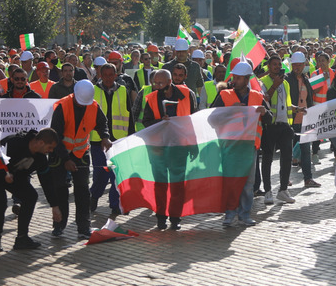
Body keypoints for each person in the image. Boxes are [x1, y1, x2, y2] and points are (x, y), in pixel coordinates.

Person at [0, 128, 59, 251]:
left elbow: (47, 182)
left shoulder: (41, 158)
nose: (50, 151)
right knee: (1, 202)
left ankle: (22, 238)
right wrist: (3, 174)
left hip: (13, 177)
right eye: (50, 147)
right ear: (41, 143)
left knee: (30, 196)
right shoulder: (14, 142)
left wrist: (54, 206)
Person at [48, 80, 111, 239]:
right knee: (60, 190)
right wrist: (65, 159)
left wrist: (105, 137)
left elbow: (102, 123)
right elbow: (55, 136)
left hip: (81, 153)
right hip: (59, 154)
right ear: (74, 94)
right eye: (80, 102)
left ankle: (84, 228)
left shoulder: (93, 105)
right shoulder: (63, 107)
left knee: (82, 191)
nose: (83, 106)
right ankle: (59, 226)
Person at [211, 61, 270, 227]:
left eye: (237, 78)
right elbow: (212, 118)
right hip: (229, 146)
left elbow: (269, 118)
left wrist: (265, 112)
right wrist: (230, 110)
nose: (234, 80)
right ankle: (229, 215)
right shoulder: (224, 95)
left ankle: (244, 215)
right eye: (234, 77)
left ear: (246, 79)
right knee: (230, 181)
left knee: (248, 182)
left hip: (249, 146)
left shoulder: (257, 96)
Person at [141, 69, 199, 230]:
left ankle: (175, 218)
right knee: (160, 184)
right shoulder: (152, 98)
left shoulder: (187, 94)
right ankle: (161, 218)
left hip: (179, 147)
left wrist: (194, 145)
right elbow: (146, 121)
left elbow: (194, 120)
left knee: (177, 184)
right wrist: (160, 121)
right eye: (155, 83)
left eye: (160, 83)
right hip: (159, 148)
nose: (156, 86)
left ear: (169, 82)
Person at [89, 63, 132, 220]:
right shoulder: (93, 91)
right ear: (100, 75)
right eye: (105, 75)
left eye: (111, 75)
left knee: (116, 174)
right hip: (97, 140)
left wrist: (130, 136)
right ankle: (94, 196)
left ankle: (115, 205)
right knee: (101, 173)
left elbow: (130, 115)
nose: (108, 78)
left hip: (118, 140)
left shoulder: (123, 90)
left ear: (116, 75)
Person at [258, 56, 300, 205]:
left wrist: (297, 109)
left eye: (279, 64)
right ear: (268, 67)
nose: (277, 67)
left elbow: (286, 104)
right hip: (270, 126)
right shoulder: (263, 82)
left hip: (284, 125)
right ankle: (268, 191)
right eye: (274, 64)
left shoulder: (286, 83)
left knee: (287, 157)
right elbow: (264, 100)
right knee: (268, 159)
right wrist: (275, 85)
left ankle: (283, 190)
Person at [286, 52, 319, 189]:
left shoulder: (306, 79)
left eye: (300, 65)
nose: (297, 67)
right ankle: (285, 178)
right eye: (295, 65)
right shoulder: (286, 79)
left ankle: (308, 178)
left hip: (305, 121)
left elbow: (309, 99)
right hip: (291, 121)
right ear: (292, 65)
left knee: (306, 151)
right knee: (287, 152)